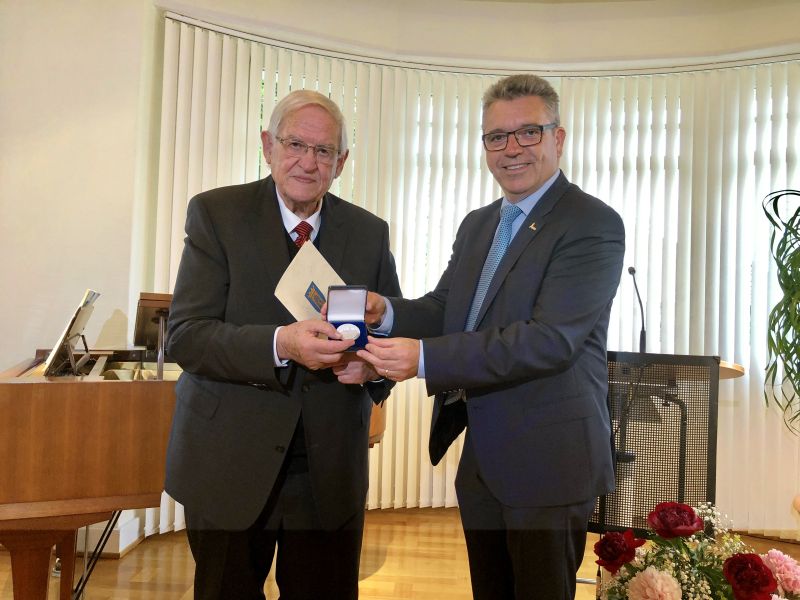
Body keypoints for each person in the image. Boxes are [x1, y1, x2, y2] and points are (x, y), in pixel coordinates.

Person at [358, 74, 625, 600]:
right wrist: (384, 312)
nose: (512, 149)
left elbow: (549, 340)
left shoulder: (591, 223)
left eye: (528, 133)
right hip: (484, 457)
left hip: (550, 461)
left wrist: (423, 358)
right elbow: (447, 310)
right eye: (496, 137)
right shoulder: (478, 224)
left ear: (558, 138)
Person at [164, 89, 401, 600]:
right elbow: (186, 335)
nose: (307, 162)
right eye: (295, 144)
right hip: (229, 459)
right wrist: (281, 344)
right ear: (267, 145)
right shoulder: (216, 215)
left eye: (323, 151)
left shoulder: (369, 233)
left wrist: (374, 368)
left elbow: (389, 333)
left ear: (341, 163)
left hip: (329, 468)